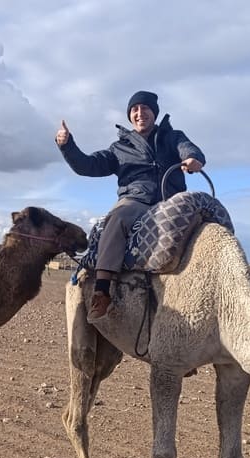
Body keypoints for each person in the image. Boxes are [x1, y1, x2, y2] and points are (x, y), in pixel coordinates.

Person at [56, 90, 205, 320]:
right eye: (134, 110)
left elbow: (189, 149)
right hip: (137, 200)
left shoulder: (172, 137)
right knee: (117, 218)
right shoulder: (119, 148)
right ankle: (103, 291)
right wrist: (67, 145)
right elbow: (87, 165)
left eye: (144, 108)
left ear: (154, 113)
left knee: (207, 222)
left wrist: (192, 159)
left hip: (172, 199)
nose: (139, 113)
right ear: (130, 116)